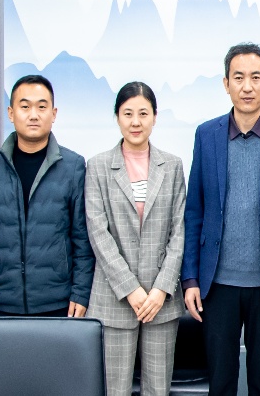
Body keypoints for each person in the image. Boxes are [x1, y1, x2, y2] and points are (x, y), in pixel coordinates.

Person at [182, 43, 260, 396]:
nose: (247, 86)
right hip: (217, 282)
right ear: (226, 84)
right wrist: (190, 278)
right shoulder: (206, 134)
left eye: (255, 77)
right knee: (220, 383)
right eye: (238, 78)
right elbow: (194, 211)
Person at [86, 82, 188, 396]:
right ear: (117, 117)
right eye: (128, 113)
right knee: (114, 390)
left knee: (158, 390)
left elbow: (179, 231)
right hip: (114, 299)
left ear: (155, 117)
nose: (135, 121)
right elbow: (98, 233)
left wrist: (161, 289)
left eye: (143, 113)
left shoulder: (172, 166)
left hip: (160, 302)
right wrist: (131, 289)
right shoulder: (98, 166)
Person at [0, 75, 92, 318]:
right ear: (11, 113)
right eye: (25, 106)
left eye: (41, 107)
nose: (33, 115)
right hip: (1, 304)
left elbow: (82, 238)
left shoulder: (73, 166)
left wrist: (81, 293)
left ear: (54, 113)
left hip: (59, 304)